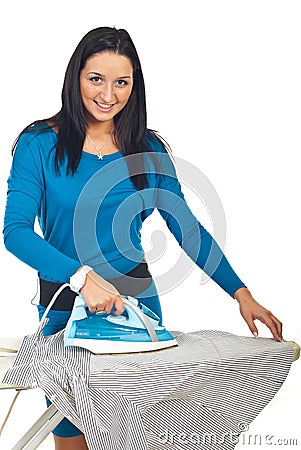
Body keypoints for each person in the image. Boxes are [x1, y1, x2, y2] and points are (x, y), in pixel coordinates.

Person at [3, 27, 282, 450]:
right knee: (71, 439)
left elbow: (187, 229)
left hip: (136, 311)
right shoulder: (40, 144)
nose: (108, 94)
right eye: (95, 78)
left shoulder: (147, 151)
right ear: (75, 77)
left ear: (135, 86)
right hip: (61, 314)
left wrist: (241, 294)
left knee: (139, 439)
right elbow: (16, 232)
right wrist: (80, 277)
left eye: (122, 82)